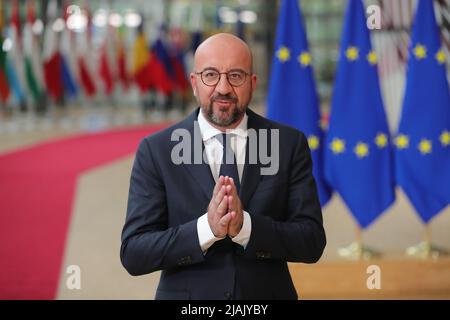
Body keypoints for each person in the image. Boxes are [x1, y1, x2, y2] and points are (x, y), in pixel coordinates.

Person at [120, 33, 326, 300]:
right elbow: (134, 253)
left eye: (236, 76)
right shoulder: (157, 150)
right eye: (210, 75)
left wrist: (247, 228)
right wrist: (207, 229)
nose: (223, 88)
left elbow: (311, 242)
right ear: (194, 83)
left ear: (252, 83)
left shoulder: (288, 144)